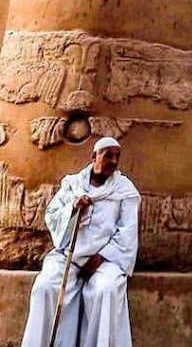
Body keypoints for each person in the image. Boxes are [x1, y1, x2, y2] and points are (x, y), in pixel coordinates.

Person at [21, 137, 141, 347]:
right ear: (94, 157)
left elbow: (127, 233)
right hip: (68, 254)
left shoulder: (125, 190)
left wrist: (100, 258)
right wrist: (73, 208)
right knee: (45, 287)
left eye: (117, 156)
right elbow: (52, 214)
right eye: (108, 155)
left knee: (104, 291)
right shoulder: (73, 184)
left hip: (106, 259)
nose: (113, 161)